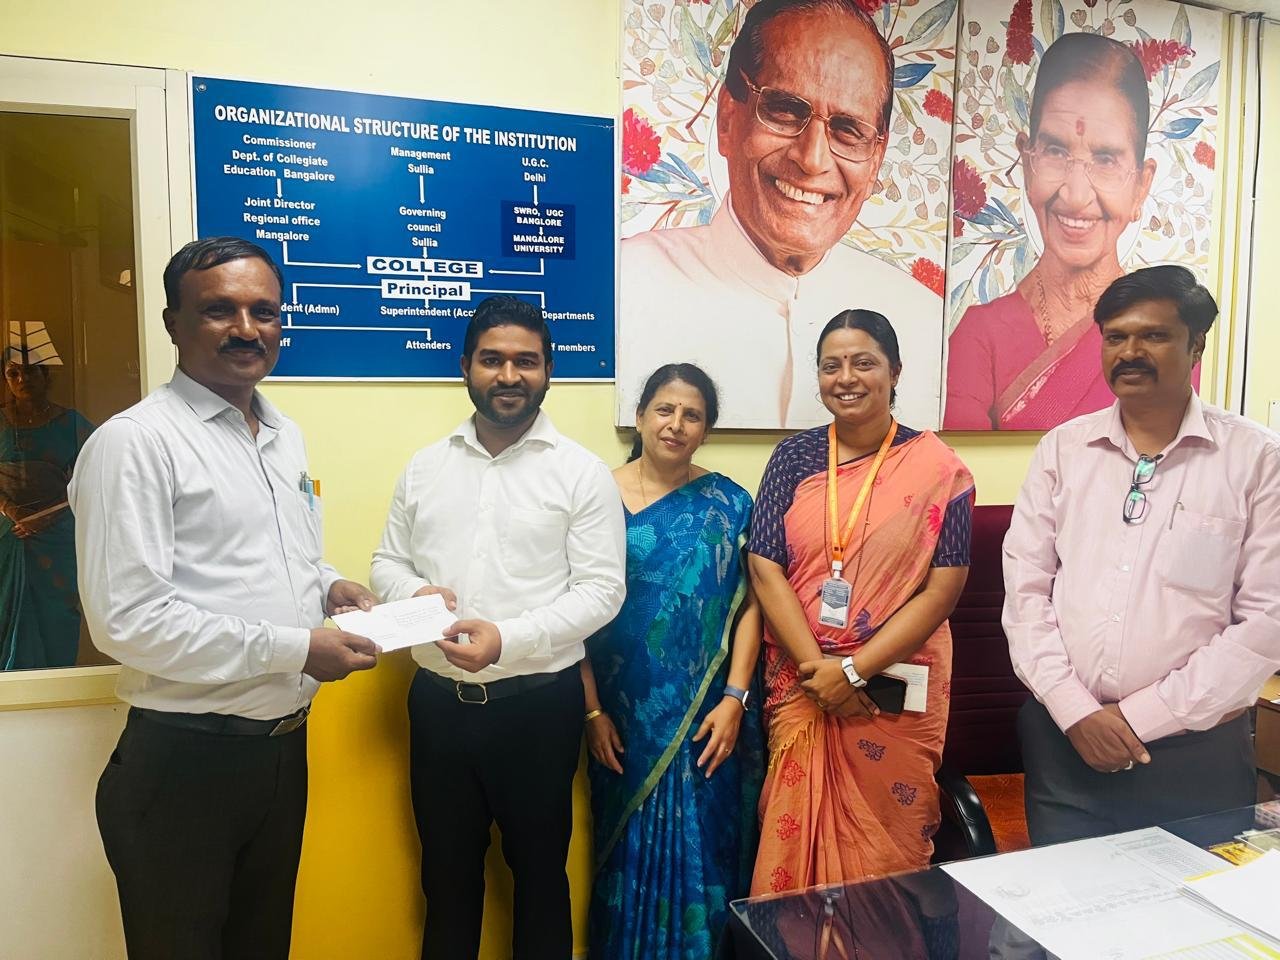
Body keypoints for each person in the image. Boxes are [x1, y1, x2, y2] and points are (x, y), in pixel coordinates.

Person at [67, 237, 380, 960]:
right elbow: (127, 621)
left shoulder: (282, 434)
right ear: (173, 324)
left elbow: (279, 555)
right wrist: (298, 648)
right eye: (219, 310)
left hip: (280, 755)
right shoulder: (136, 444)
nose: (247, 329)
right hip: (185, 764)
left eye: (264, 311)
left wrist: (328, 584)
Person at [370, 295, 626, 960]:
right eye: (492, 359)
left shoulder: (580, 473)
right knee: (445, 880)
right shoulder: (425, 467)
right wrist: (413, 593)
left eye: (525, 361)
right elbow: (387, 561)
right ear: (466, 366)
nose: (509, 375)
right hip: (437, 708)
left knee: (539, 881)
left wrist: (507, 639)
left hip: (537, 709)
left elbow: (602, 591)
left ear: (548, 370)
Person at [1003, 264, 1280, 844]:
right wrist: (1076, 710)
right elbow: (1025, 592)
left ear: (1196, 344)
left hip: (1194, 753)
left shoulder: (1256, 460)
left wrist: (1135, 719)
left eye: (1154, 335)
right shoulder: (1063, 450)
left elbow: (1266, 620)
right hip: (1065, 739)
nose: (1130, 352)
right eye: (1116, 337)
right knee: (1067, 895)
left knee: (1191, 901)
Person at [619, 0, 941, 430]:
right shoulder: (630, 280)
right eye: (785, 110)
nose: (812, 159)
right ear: (728, 120)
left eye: (848, 130)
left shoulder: (922, 317)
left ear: (875, 162)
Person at [747, 309, 975, 897]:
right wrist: (820, 673)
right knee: (794, 838)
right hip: (803, 685)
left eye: (863, 362)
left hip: (893, 687)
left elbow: (943, 589)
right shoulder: (792, 459)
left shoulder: (942, 470)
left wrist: (851, 671)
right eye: (831, 366)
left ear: (894, 371)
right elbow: (765, 568)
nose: (845, 378)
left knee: (889, 851)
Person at [581, 362, 765, 959]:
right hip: (619, 719)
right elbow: (570, 612)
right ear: (639, 417)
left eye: (692, 415)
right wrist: (591, 712)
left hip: (705, 721)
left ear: (706, 429)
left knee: (704, 851)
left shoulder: (729, 504)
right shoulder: (593, 497)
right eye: (664, 410)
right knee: (623, 857)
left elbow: (751, 607)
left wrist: (735, 699)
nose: (676, 424)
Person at [945, 33, 1159, 430]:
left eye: (1105, 159)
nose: (1076, 196)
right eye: (1056, 152)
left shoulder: (1164, 340)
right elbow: (960, 465)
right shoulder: (981, 337)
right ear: (1027, 164)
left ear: (1141, 185)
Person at [1, 324, 93, 669]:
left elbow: (94, 481)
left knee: (57, 615)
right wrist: (11, 510)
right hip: (7, 533)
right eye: (13, 373)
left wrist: (46, 517)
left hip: (56, 536)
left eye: (31, 371)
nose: (22, 379)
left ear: (46, 375)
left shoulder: (72, 424)